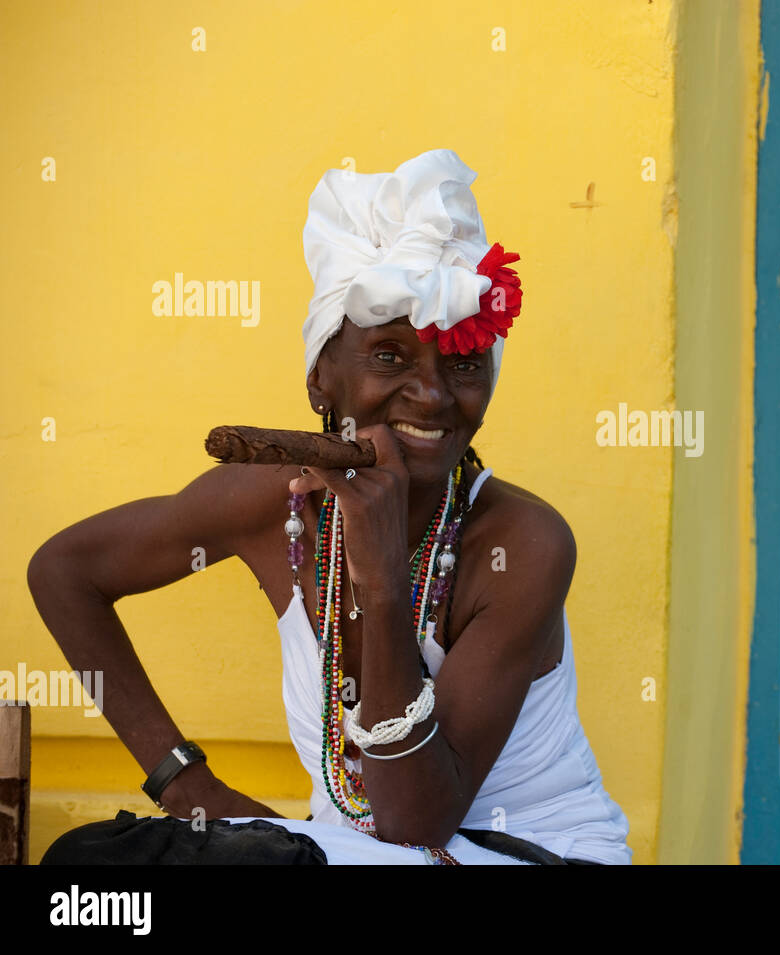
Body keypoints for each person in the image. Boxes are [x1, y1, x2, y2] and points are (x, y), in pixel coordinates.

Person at [27, 149, 632, 865]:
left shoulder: (524, 542)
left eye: (462, 363)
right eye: (389, 357)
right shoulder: (266, 503)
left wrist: (382, 579)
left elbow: (414, 820)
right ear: (323, 379)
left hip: (521, 852)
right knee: (93, 860)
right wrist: (189, 785)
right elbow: (64, 571)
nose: (432, 394)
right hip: (348, 850)